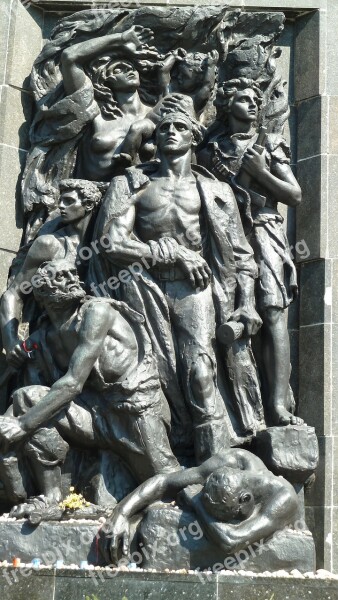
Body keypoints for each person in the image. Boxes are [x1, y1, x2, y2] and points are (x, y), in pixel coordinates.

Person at [90, 107, 262, 462]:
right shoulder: (131, 183)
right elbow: (111, 241)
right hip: (141, 288)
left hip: (195, 290)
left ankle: (214, 466)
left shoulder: (216, 191)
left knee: (201, 373)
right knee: (151, 377)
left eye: (179, 126)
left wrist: (246, 304)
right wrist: (165, 253)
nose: (169, 131)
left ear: (194, 137)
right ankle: (161, 466)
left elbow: (242, 255)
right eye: (164, 126)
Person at [0, 260, 180, 513]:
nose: (72, 278)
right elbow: (26, 357)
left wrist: (22, 425)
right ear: (42, 293)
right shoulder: (46, 334)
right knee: (25, 397)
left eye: (72, 273)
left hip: (133, 411)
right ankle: (51, 497)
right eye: (61, 277)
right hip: (93, 414)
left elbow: (73, 383)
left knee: (169, 484)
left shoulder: (97, 312)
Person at [198, 78, 303, 426]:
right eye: (243, 99)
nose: (253, 104)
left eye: (256, 99)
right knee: (219, 314)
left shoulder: (269, 142)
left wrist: (260, 173)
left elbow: (294, 195)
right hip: (223, 237)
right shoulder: (210, 150)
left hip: (263, 231)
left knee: (273, 312)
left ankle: (277, 404)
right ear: (228, 107)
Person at [106, 447, 300, 561]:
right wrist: (122, 513)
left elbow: (232, 541)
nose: (220, 521)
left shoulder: (284, 498)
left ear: (245, 499)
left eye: (224, 517)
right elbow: (164, 482)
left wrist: (196, 503)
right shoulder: (232, 460)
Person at [0, 179, 102, 368]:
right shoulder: (49, 245)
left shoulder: (104, 244)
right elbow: (14, 293)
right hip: (53, 337)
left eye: (69, 201)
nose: (61, 206)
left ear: (88, 205)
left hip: (95, 333)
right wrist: (10, 339)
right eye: (60, 201)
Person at [59, 25, 156, 181]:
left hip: (142, 198)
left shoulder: (155, 114)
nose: (129, 71)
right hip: (90, 198)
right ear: (105, 80)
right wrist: (121, 38)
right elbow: (69, 57)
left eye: (131, 67)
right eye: (119, 69)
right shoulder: (94, 111)